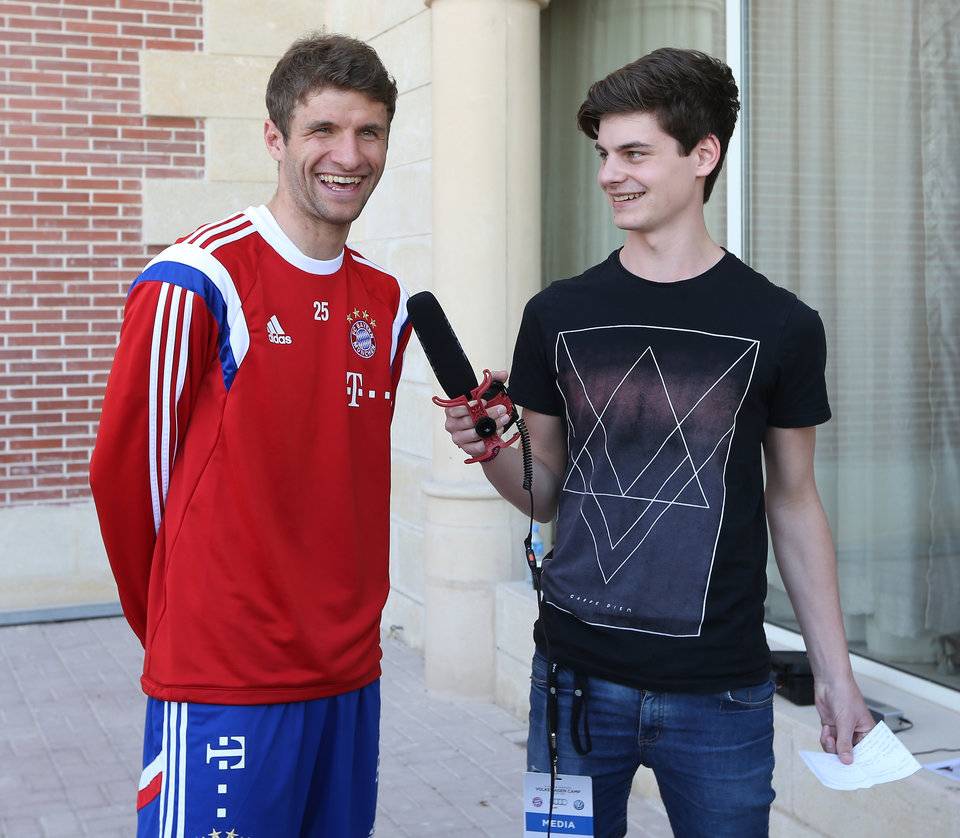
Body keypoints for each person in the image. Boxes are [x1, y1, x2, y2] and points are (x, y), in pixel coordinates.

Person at [442, 48, 874, 837]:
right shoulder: (558, 313)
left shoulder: (780, 325)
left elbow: (794, 501)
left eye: (635, 152)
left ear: (703, 154)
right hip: (570, 683)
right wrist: (486, 448)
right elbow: (543, 492)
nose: (611, 173)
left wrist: (836, 676)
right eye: (604, 153)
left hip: (721, 694)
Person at [90, 33, 411, 838]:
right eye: (323, 131)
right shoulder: (198, 279)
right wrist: (181, 626)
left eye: (369, 132)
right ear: (275, 138)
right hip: (226, 679)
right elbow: (128, 481)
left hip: (348, 675)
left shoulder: (386, 297)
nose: (350, 155)